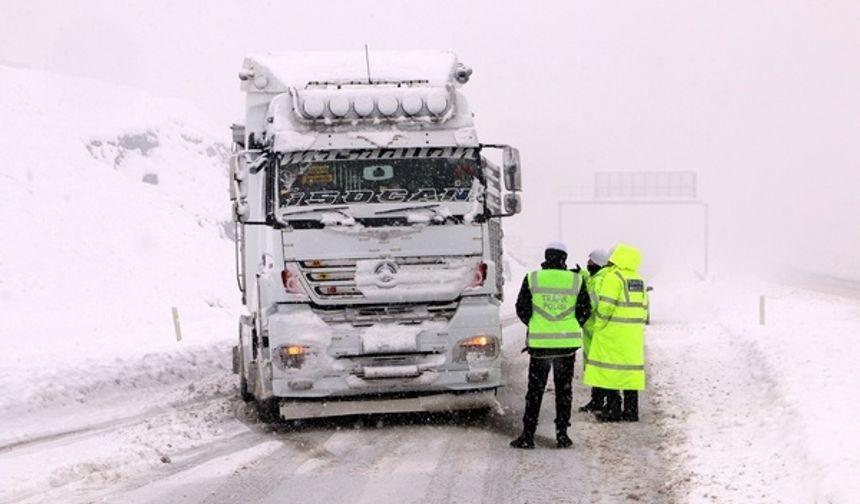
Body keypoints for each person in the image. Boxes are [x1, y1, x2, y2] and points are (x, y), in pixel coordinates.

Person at [510, 241, 592, 449]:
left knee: (535, 391)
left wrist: (537, 324)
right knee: (564, 391)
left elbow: (521, 307)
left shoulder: (533, 278)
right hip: (566, 345)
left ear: (547, 257)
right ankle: (562, 435)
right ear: (564, 258)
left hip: (540, 347)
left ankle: (528, 436)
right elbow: (585, 309)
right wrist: (572, 324)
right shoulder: (575, 280)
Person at [582, 244, 648, 422]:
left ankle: (613, 410)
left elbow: (606, 306)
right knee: (630, 373)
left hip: (612, 334)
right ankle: (631, 411)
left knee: (610, 371)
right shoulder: (638, 279)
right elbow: (644, 308)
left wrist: (599, 326)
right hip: (632, 335)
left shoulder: (614, 277)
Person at [578, 249, 610, 413]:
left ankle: (599, 401)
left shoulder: (599, 280)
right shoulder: (599, 276)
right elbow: (589, 278)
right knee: (597, 367)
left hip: (595, 330)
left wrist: (580, 313)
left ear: (597, 263)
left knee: (598, 367)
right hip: (595, 330)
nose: (588, 264)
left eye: (590, 262)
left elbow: (592, 303)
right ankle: (598, 400)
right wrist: (582, 273)